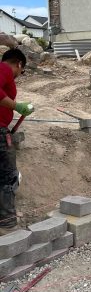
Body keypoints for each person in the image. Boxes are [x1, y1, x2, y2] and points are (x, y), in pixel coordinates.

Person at [0, 49, 34, 234]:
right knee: (7, 176)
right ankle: (6, 226)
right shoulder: (4, 69)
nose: (19, 76)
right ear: (19, 64)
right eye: (21, 71)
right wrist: (17, 106)